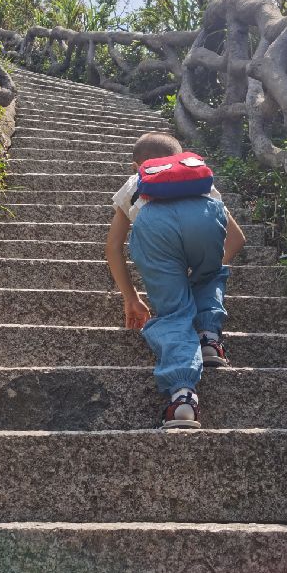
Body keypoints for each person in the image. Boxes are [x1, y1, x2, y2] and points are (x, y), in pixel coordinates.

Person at [105, 131, 246, 429]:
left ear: (137, 166)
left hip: (155, 228)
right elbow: (236, 239)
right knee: (210, 275)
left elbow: (113, 246)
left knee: (174, 313)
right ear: (182, 158)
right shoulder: (200, 182)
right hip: (206, 220)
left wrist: (131, 297)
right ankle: (209, 338)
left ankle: (182, 398)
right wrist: (204, 273)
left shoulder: (136, 182)